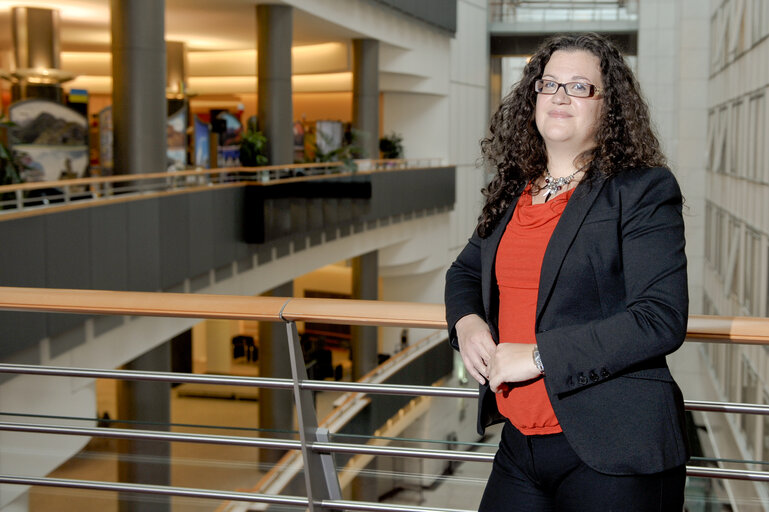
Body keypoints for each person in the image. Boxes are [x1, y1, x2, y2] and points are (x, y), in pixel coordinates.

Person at [444, 33, 689, 511]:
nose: (559, 95)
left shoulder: (641, 190)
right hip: (520, 444)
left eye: (579, 87)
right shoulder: (516, 189)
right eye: (549, 83)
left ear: (609, 106)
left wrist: (538, 357)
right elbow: (464, 273)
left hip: (614, 448)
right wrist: (468, 323)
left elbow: (660, 318)